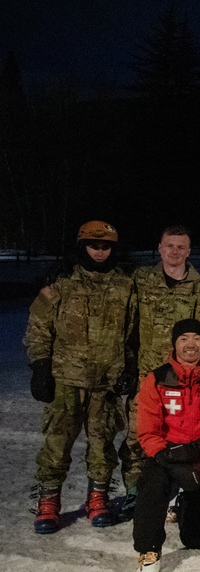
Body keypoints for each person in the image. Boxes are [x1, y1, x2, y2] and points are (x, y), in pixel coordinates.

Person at [25, 221, 137, 533]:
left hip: (106, 382)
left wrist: (129, 367)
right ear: (82, 247)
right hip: (66, 380)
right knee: (57, 443)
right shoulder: (60, 285)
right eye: (93, 245)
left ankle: (97, 496)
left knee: (102, 444)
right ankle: (48, 500)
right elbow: (37, 328)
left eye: (106, 247)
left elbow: (131, 334)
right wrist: (40, 367)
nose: (100, 251)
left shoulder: (125, 287)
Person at [119, 225, 200, 521]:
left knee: (180, 435)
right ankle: (135, 492)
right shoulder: (142, 281)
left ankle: (176, 494)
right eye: (170, 246)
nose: (175, 252)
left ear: (188, 251)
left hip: (184, 380)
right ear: (160, 248)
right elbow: (119, 307)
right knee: (137, 435)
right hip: (147, 374)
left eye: (181, 247)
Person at [132, 319, 200, 572]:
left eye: (196, 338)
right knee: (151, 485)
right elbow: (147, 429)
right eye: (183, 339)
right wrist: (167, 458)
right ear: (174, 344)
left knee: (196, 538)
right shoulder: (157, 379)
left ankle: (184, 507)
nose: (190, 344)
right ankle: (149, 550)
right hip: (166, 456)